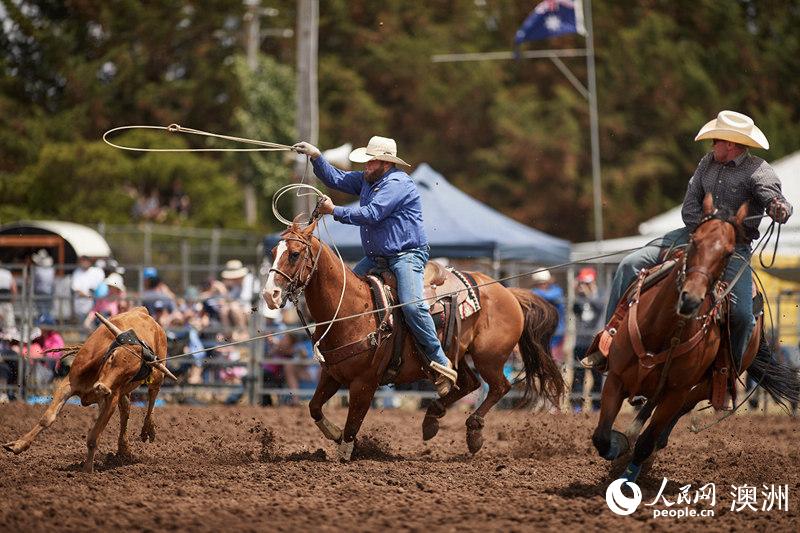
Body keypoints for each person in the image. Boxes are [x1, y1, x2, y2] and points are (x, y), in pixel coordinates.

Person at [582, 110, 793, 370]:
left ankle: (728, 370)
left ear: (730, 144)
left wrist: (778, 207)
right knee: (630, 264)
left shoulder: (758, 170)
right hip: (692, 235)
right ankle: (610, 340)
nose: (712, 144)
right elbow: (690, 204)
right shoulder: (707, 163)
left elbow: (775, 198)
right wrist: (704, 233)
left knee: (742, 316)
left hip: (733, 248)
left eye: (716, 139)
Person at [293, 136, 457, 395]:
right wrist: (316, 157)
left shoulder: (398, 184)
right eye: (366, 162)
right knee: (342, 296)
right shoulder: (368, 180)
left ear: (384, 163)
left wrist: (334, 210)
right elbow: (337, 179)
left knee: (412, 306)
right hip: (378, 257)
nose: (366, 166)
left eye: (370, 162)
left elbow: (371, 214)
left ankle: (439, 359)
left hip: (406, 255)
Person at [571, 267, 604, 411]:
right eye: (583, 283)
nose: (584, 285)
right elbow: (575, 310)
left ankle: (596, 406)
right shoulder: (580, 297)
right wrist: (575, 294)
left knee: (597, 376)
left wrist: (590, 295)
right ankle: (576, 406)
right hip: (580, 342)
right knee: (578, 375)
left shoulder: (600, 295)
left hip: (595, 343)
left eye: (587, 283)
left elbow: (599, 308)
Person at [531, 269, 565, 364]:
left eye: (542, 283)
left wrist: (534, 293)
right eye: (538, 283)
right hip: (543, 331)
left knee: (554, 359)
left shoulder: (557, 291)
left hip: (557, 331)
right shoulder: (535, 293)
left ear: (548, 282)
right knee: (543, 359)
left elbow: (550, 296)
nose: (541, 285)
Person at [70, 255, 105, 322]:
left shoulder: (96, 271)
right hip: (80, 305)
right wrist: (88, 296)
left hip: (94, 305)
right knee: (83, 324)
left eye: (85, 261)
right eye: (82, 262)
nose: (84, 263)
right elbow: (76, 289)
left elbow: (100, 286)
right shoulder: (77, 272)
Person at [31, 249, 55, 316]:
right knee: (47, 309)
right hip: (49, 291)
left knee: (41, 310)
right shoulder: (51, 270)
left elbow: (35, 282)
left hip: (40, 291)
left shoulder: (37, 270)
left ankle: (43, 322)